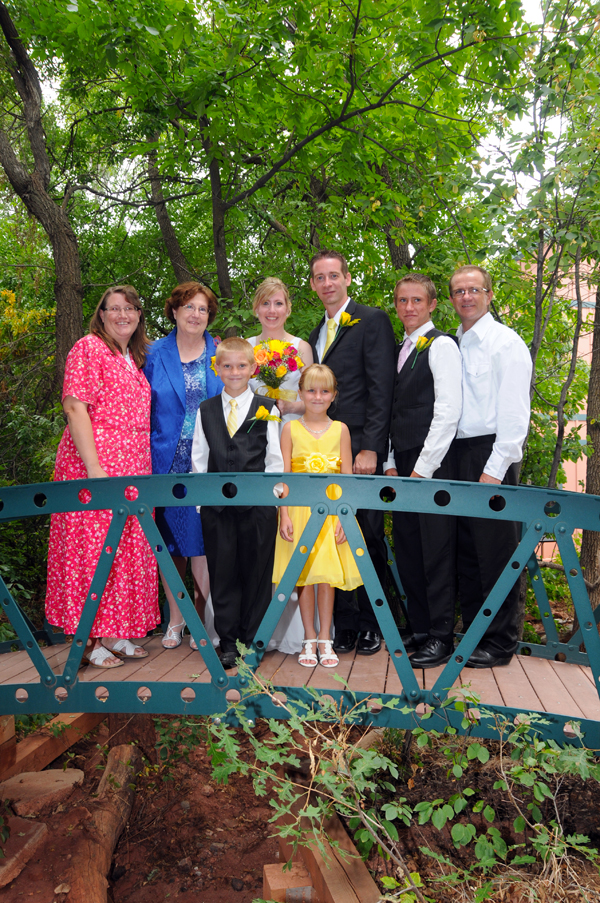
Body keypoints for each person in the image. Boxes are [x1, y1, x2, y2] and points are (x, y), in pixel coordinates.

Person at [45, 286, 159, 669]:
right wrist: (93, 468)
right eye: (114, 308)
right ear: (102, 314)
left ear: (139, 315)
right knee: (91, 550)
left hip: (133, 468)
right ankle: (88, 638)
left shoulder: (133, 358)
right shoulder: (89, 347)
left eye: (130, 308)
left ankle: (113, 632)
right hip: (95, 465)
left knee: (126, 550)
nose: (122, 314)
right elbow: (75, 406)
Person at [308, 251, 396, 656]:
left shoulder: (371, 320)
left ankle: (372, 624)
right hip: (322, 452)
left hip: (359, 449)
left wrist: (371, 447)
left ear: (346, 277)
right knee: (332, 538)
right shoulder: (314, 334)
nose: (327, 284)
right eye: (319, 278)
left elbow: (382, 389)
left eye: (333, 276)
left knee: (367, 536)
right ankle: (343, 625)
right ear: (312, 285)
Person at [449, 265, 532, 668]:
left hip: (492, 456)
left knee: (496, 551)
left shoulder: (505, 343)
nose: (466, 297)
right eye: (459, 291)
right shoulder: (454, 343)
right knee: (467, 549)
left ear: (489, 294)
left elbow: (515, 416)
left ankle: (500, 644)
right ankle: (475, 633)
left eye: (474, 290)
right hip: (457, 453)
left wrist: (495, 469)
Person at [384, 274, 462, 668]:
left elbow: (447, 411)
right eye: (402, 300)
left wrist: (423, 469)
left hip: (433, 464)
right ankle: (419, 628)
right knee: (409, 547)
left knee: (436, 550)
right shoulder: (400, 349)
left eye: (417, 300)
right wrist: (392, 462)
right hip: (403, 465)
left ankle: (440, 636)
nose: (409, 307)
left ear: (432, 304)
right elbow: (395, 412)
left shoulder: (442, 345)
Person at [191, 337, 284, 670]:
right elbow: (199, 460)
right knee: (223, 573)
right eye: (227, 366)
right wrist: (203, 507)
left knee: (256, 574)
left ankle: (252, 641)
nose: (234, 372)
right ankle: (228, 642)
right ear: (217, 369)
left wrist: (271, 503)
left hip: (257, 508)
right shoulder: (207, 409)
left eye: (241, 366)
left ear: (252, 369)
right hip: (216, 510)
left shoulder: (267, 407)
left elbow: (274, 459)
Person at [144, 282, 223, 649]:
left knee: (203, 542)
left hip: (208, 462)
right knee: (170, 545)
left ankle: (202, 618)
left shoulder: (220, 353)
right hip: (164, 460)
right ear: (174, 311)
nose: (195, 314)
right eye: (188, 307)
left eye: (202, 309)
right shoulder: (151, 353)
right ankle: (175, 619)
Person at [273, 364, 363, 668]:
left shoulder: (341, 430)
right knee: (305, 577)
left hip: (332, 514)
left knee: (326, 578)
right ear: (300, 393)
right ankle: (308, 637)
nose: (317, 396)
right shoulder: (290, 429)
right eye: (311, 390)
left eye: (324, 391)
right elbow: (284, 476)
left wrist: (344, 517)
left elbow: (348, 478)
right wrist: (283, 515)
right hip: (299, 513)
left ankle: (326, 637)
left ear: (333, 395)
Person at [247, 277, 314, 424]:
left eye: (278, 303)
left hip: (293, 430)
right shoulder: (246, 348)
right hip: (254, 433)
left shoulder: (301, 348)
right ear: (256, 308)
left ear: (288, 309)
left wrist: (291, 407)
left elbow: (315, 399)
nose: (272, 310)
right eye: (265, 303)